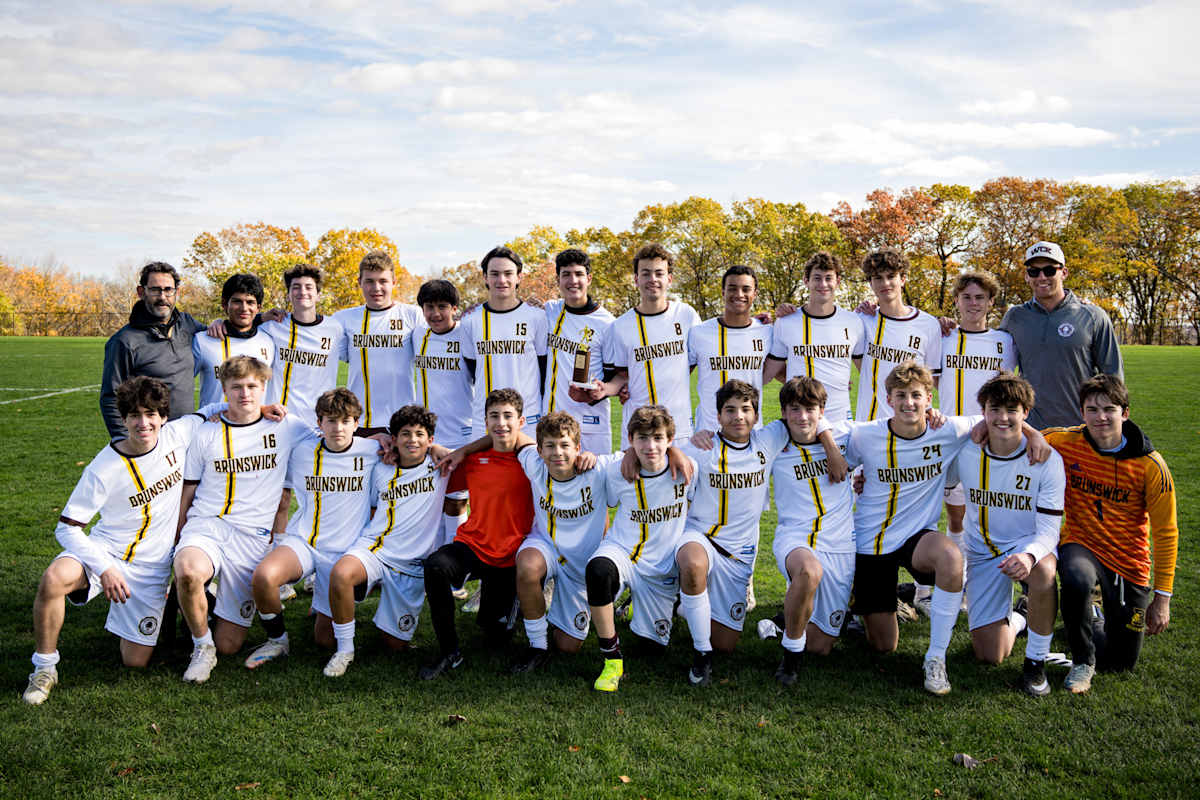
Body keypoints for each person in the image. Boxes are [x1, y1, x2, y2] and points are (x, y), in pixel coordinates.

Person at [23, 378, 230, 704]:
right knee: (53, 579)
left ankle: (179, 602)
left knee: (134, 662)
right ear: (123, 419)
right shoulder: (103, 468)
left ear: (164, 416)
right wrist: (105, 568)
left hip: (151, 569)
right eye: (134, 415)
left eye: (150, 414)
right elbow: (66, 528)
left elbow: (213, 409)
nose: (143, 423)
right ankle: (44, 668)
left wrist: (264, 408)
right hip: (107, 551)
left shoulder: (178, 434)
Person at [846, 361, 1048, 695]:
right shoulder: (864, 435)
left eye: (916, 395)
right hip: (872, 542)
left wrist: (1033, 433)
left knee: (952, 557)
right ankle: (863, 601)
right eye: (901, 396)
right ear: (888, 398)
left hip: (917, 537)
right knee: (883, 646)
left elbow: (998, 418)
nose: (909, 403)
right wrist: (855, 477)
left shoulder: (948, 428)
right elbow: (832, 452)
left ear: (929, 397)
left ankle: (935, 657)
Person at [172, 356, 311, 684]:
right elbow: (187, 492)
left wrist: (381, 441)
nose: (245, 393)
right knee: (189, 573)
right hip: (208, 526)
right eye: (237, 387)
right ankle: (202, 647)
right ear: (224, 390)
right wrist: (177, 539)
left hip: (251, 540)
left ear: (264, 388)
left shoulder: (286, 426)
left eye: (252, 386)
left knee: (230, 645)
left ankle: (203, 605)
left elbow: (334, 437)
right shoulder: (206, 432)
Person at [1046, 374, 1177, 694]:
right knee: (1076, 578)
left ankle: (1089, 616)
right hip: (1082, 543)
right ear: (1081, 412)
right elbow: (1020, 431)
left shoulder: (1150, 465)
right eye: (1092, 409)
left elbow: (1166, 533)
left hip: (1127, 561)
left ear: (1126, 413)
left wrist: (1162, 599)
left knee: (1121, 662)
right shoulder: (1066, 441)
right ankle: (1082, 662)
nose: (1100, 417)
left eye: (1109, 409)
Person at [243, 388, 382, 669]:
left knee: (324, 640)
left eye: (345, 421)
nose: (338, 428)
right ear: (319, 423)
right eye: (330, 420)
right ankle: (277, 641)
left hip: (346, 552)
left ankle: (339, 627)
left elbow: (413, 447)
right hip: (304, 542)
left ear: (357, 424)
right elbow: (254, 419)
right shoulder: (301, 450)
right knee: (263, 577)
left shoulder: (373, 452)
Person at [946, 373, 1065, 696]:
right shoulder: (967, 451)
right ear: (982, 411)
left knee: (1043, 570)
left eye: (1012, 410)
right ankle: (1021, 617)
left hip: (1025, 546)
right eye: (994, 409)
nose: (1002, 418)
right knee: (989, 655)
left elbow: (1050, 530)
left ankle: (1035, 664)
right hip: (983, 553)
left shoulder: (1046, 459)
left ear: (1026, 413)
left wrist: (1028, 554)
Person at [672, 380, 789, 686]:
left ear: (756, 414)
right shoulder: (702, 448)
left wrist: (830, 445)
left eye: (746, 410)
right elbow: (662, 453)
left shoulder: (769, 439)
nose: (738, 416)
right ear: (718, 416)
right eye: (730, 410)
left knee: (727, 643)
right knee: (694, 563)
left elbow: (809, 415)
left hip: (739, 555)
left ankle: (687, 604)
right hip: (702, 538)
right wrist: (673, 449)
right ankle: (701, 655)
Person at [323, 405, 450, 677]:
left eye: (420, 434)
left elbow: (471, 455)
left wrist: (441, 449)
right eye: (405, 434)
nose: (412, 440)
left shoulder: (441, 466)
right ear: (394, 438)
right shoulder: (379, 466)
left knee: (394, 646)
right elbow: (345, 443)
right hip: (376, 549)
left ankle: (366, 598)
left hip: (412, 565)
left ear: (430, 439)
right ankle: (345, 650)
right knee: (341, 575)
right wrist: (378, 440)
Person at [419, 388, 535, 679]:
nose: (501, 423)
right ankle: (449, 652)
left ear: (521, 421)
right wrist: (433, 448)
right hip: (475, 545)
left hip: (513, 556)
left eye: (508, 416)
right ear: (485, 422)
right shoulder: (473, 460)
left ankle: (514, 608)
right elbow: (438, 470)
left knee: (495, 636)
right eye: (494, 416)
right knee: (435, 567)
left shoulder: (533, 460)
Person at [584, 405, 697, 692]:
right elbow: (582, 462)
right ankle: (612, 660)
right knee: (598, 571)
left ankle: (655, 605)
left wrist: (678, 453)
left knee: (651, 649)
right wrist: (589, 456)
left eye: (658, 438)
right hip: (622, 552)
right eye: (642, 439)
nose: (651, 446)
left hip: (660, 568)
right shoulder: (615, 468)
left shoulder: (687, 468)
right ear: (631, 439)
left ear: (671, 440)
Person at [769, 377, 857, 685]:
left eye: (810, 409)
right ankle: (790, 657)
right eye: (794, 409)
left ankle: (786, 620)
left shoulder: (847, 437)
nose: (802, 417)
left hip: (840, 546)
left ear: (823, 411)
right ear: (783, 412)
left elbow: (891, 434)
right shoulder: (772, 442)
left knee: (820, 647)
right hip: (795, 539)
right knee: (808, 571)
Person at [578, 243, 701, 448]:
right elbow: (623, 376)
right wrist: (605, 389)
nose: (652, 279)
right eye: (646, 273)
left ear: (669, 279)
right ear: (636, 279)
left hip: (679, 427)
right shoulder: (620, 326)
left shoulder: (687, 315)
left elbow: (701, 354)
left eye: (659, 273)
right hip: (637, 429)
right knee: (635, 481)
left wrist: (759, 322)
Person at [939, 271, 1017, 585]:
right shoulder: (942, 337)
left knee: (985, 515)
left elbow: (1010, 392)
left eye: (980, 297)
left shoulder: (1004, 341)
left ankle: (980, 582)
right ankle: (949, 582)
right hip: (949, 438)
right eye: (967, 297)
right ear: (956, 300)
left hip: (989, 439)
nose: (973, 303)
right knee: (955, 515)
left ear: (991, 302)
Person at [1000, 241, 1123, 429]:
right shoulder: (1015, 316)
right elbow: (990, 353)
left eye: (1049, 270)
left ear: (1064, 272)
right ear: (1026, 276)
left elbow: (1113, 376)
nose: (1042, 277)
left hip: (1081, 429)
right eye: (1034, 271)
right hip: (1031, 430)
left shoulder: (1093, 316)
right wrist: (949, 327)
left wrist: (1114, 422)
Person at [100, 262, 205, 438]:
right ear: (141, 292)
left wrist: (259, 319)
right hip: (150, 439)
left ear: (177, 292)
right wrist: (124, 441)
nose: (162, 296)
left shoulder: (187, 323)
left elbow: (224, 332)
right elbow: (111, 397)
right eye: (155, 290)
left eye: (168, 290)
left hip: (188, 435)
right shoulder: (124, 341)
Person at [409, 279, 475, 547]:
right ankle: (434, 561)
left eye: (442, 307)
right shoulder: (416, 335)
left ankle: (454, 567)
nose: (435, 313)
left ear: (455, 308)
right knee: (430, 502)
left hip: (461, 432)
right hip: (427, 436)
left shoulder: (467, 335)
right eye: (429, 307)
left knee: (456, 501)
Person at [765, 251, 865, 424]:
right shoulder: (787, 321)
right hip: (799, 418)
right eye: (817, 278)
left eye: (828, 278)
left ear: (838, 281)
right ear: (806, 281)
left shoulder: (854, 322)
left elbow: (869, 371)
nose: (823, 284)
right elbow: (770, 371)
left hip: (839, 418)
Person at [460, 246, 548, 438]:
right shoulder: (470, 321)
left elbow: (543, 367)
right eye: (495, 274)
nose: (502, 280)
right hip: (486, 421)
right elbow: (473, 370)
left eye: (508, 273)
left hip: (528, 420)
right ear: (485, 277)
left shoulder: (537, 317)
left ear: (519, 277)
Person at [333, 249, 423, 430]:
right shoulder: (342, 319)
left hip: (403, 420)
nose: (376, 288)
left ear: (394, 282)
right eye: (369, 281)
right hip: (359, 421)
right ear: (359, 282)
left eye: (383, 281)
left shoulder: (413, 315)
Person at [854, 249, 942, 423]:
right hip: (869, 425)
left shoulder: (929, 324)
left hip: (912, 425)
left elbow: (932, 380)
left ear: (902, 279)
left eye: (891, 276)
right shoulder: (862, 320)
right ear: (870, 283)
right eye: (878, 278)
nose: (885, 283)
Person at [543, 249, 617, 454]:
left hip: (592, 423)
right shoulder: (549, 311)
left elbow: (615, 378)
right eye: (566, 274)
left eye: (578, 274)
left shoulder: (607, 323)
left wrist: (596, 392)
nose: (572, 280)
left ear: (589, 278)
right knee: (555, 483)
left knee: (593, 482)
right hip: (552, 421)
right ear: (558, 279)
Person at [259, 263, 346, 430]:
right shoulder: (273, 326)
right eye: (296, 287)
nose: (302, 292)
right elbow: (242, 327)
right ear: (289, 294)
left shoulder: (335, 328)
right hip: (279, 420)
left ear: (318, 294)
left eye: (309, 287)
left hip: (319, 422)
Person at [688, 266, 772, 435]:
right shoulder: (699, 332)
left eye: (746, 289)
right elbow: (677, 376)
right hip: (709, 436)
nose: (739, 294)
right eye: (732, 288)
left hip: (752, 433)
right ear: (723, 292)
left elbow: (783, 370)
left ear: (755, 294)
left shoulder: (767, 332)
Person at [192, 273, 275, 407]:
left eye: (250, 302)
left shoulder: (269, 341)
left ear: (258, 307)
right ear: (225, 304)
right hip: (214, 425)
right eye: (237, 301)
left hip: (255, 426)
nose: (244, 308)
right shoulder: (203, 341)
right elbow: (182, 386)